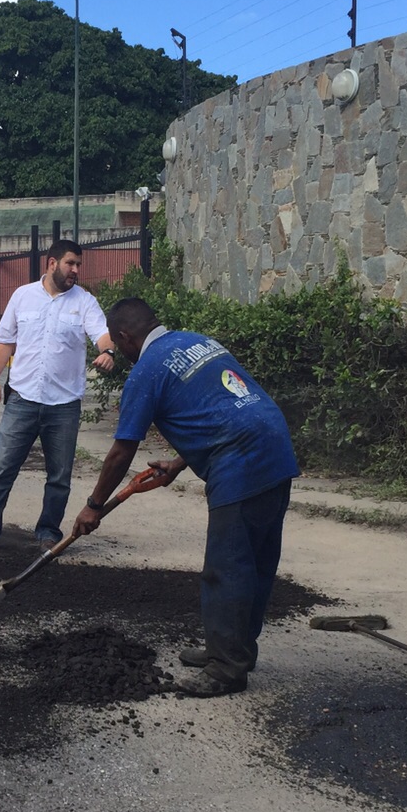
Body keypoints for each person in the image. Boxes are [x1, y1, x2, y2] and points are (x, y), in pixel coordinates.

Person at [71, 298, 299, 696]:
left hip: (242, 460)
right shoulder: (195, 341)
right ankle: (234, 648)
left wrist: (93, 507)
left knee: (226, 566)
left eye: (117, 343)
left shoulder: (146, 370)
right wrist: (179, 463)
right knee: (258, 560)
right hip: (275, 446)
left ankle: (227, 668)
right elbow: (225, 404)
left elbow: (122, 451)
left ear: (125, 338)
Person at [0, 240, 116, 554]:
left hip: (64, 405)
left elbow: (101, 332)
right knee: (1, 469)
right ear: (51, 263)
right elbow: (5, 341)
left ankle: (47, 533)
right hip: (22, 399)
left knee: (59, 475)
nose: (75, 271)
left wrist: (108, 350)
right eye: (70, 264)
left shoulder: (84, 302)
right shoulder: (23, 296)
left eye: (78, 266)